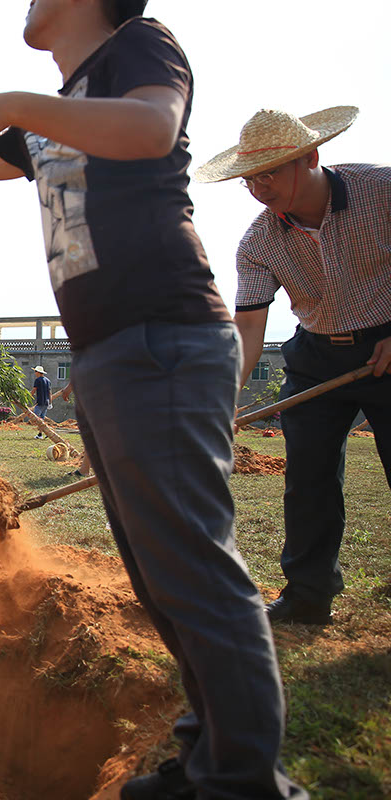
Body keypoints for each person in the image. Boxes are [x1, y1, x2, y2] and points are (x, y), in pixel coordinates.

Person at [0, 1, 305, 797]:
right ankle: (206, 754)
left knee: (194, 569)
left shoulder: (138, 50)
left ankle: (247, 782)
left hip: (166, 339)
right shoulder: (55, 112)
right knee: (160, 577)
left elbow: (152, 129)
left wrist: (13, 102)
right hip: (113, 353)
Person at [195, 105, 390, 626]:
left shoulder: (382, 191)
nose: (260, 187)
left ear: (311, 157)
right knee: (308, 478)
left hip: (387, 345)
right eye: (249, 179)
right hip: (317, 357)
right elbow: (248, 331)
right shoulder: (259, 243)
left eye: (271, 172)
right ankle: (308, 595)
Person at [31, 365, 52, 438]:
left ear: (39, 372)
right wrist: (50, 402)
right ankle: (41, 434)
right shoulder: (48, 381)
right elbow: (50, 393)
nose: (35, 373)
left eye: (35, 371)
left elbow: (34, 390)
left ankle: (46, 432)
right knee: (41, 419)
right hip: (46, 403)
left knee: (37, 419)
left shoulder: (38, 380)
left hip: (40, 402)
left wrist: (28, 397)